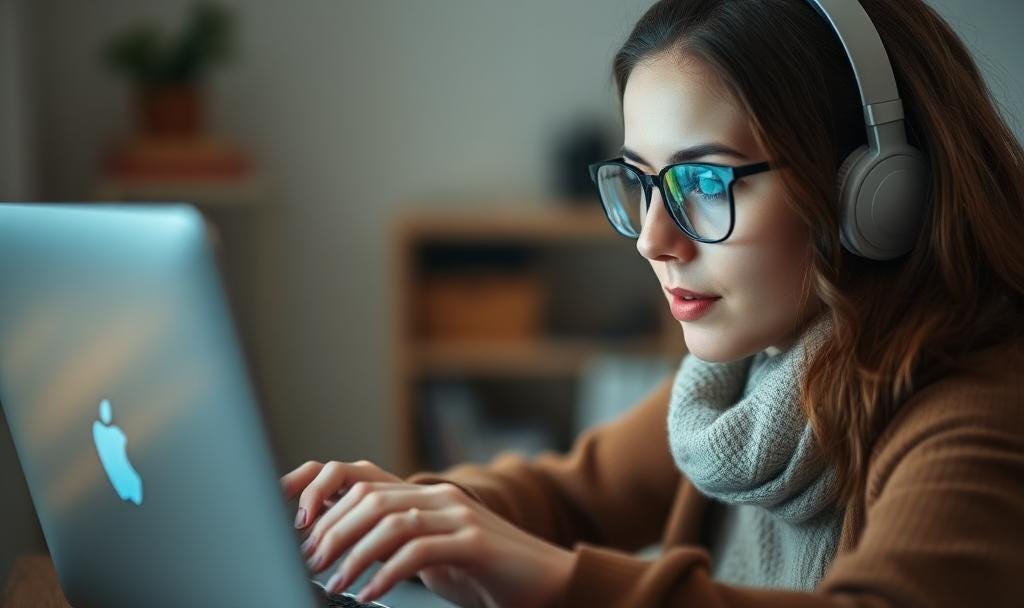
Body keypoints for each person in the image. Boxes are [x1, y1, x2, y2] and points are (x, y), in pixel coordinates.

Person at [280, 0, 1024, 605]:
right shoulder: (749, 381)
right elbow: (568, 494)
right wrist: (394, 513)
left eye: (703, 183)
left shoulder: (984, 408)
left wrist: (556, 581)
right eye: (641, 182)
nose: (653, 240)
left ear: (877, 192)